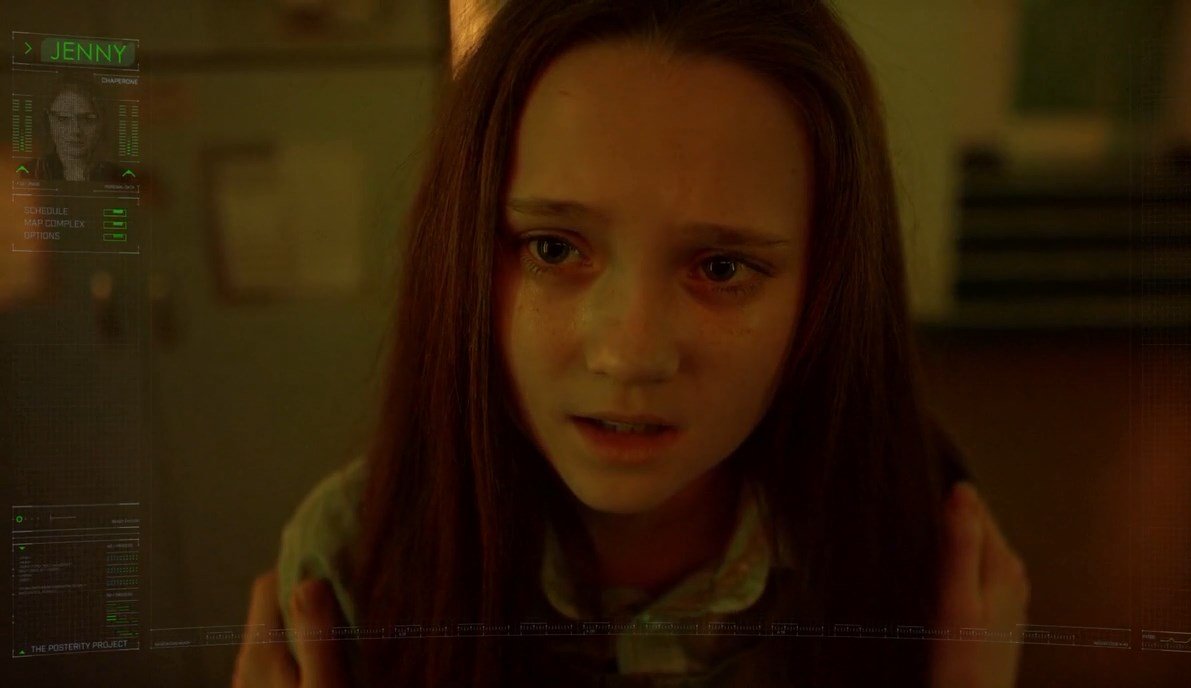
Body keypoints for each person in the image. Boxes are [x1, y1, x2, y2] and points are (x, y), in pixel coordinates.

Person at [232, 1, 1030, 686]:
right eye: (553, 249)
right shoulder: (358, 559)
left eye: (722, 268)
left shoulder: (917, 542)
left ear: (827, 290)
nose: (629, 354)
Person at [26, 76, 123, 182]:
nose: (76, 130)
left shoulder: (120, 177)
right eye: (63, 118)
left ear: (100, 122)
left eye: (87, 119)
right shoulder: (30, 172)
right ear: (48, 120)